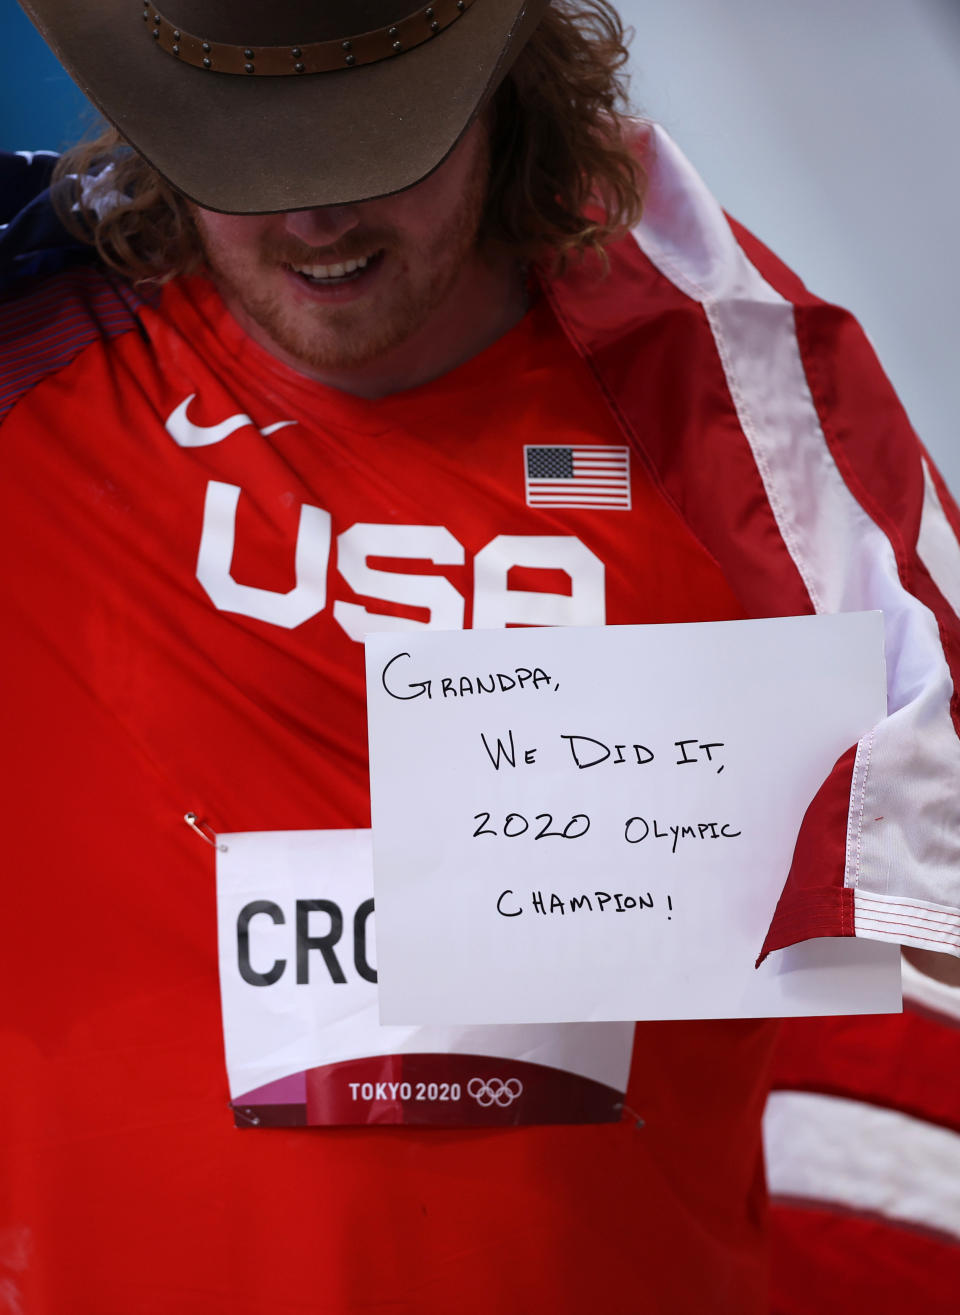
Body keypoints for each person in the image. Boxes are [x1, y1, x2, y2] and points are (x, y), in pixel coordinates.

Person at [2, 2, 958, 1312]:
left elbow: (938, 899)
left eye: (372, 146)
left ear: (498, 87)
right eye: (252, 161)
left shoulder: (724, 392)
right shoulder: (35, 338)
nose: (316, 218)